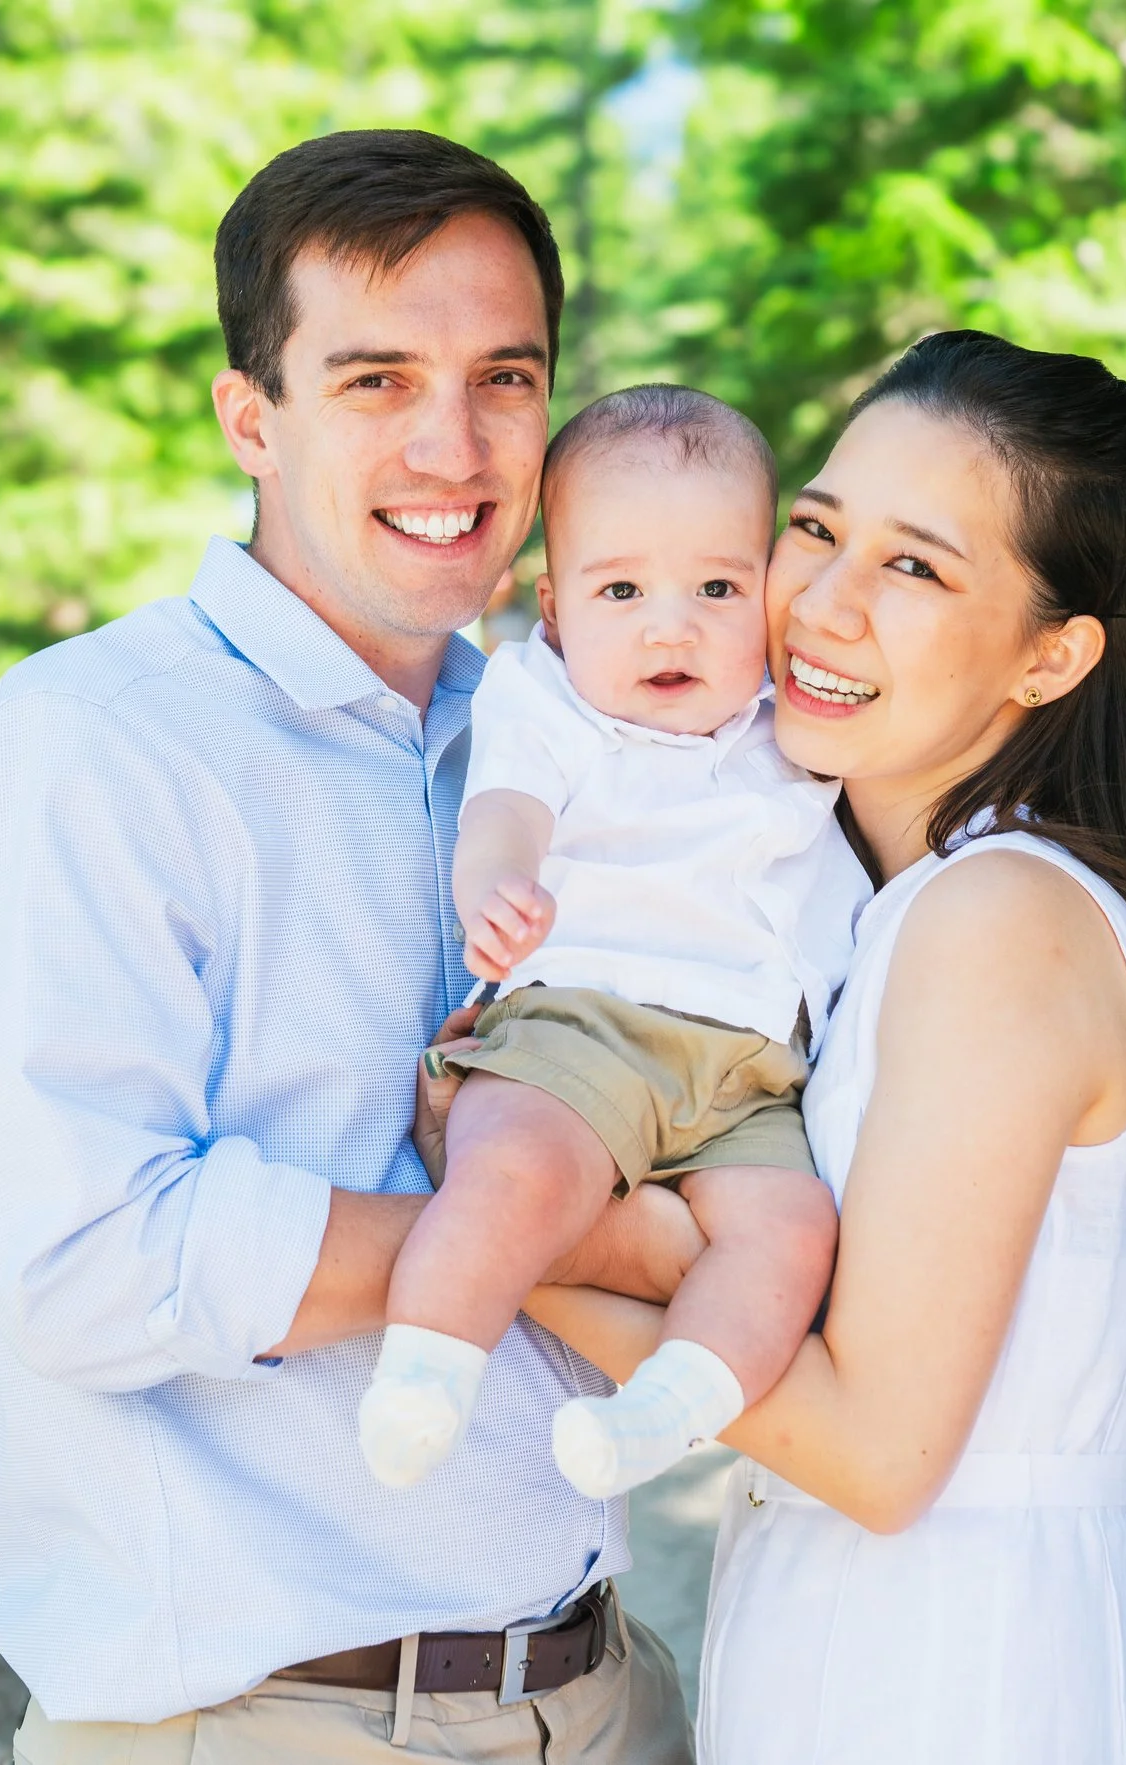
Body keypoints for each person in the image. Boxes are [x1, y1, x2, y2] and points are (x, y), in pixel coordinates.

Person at [0, 130, 693, 1764]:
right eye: (374, 380)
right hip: (282, 1724)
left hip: (609, 1694)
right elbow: (90, 1260)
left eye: (504, 376)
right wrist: (576, 1239)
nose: (452, 441)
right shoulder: (96, 742)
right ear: (249, 418)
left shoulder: (559, 741)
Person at [521, 330, 1126, 1763]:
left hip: (953, 1672)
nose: (823, 602)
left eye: (916, 567)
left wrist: (525, 1239)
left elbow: (877, 1451)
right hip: (858, 1641)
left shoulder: (998, 917)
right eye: (815, 528)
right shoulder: (880, 914)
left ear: (1051, 656)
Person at [359, 386, 866, 1502]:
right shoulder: (547, 702)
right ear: (555, 605)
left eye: (718, 588)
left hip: (747, 1068)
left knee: (789, 1235)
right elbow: (505, 811)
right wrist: (494, 885)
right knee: (515, 1175)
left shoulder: (791, 718)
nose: (669, 625)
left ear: (770, 593)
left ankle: (662, 1412)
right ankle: (427, 1366)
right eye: (622, 589)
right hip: (583, 1024)